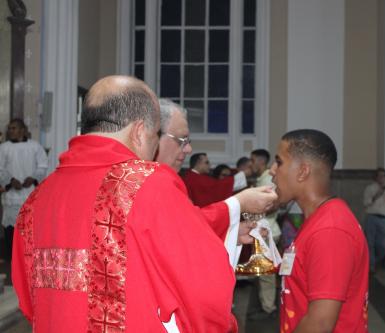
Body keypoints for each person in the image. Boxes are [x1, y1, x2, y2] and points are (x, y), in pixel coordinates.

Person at [11, 76, 263, 332]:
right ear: (140, 132)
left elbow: (26, 295)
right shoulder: (147, 182)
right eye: (156, 136)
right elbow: (202, 288)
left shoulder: (37, 198)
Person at [155, 98, 277, 267]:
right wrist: (239, 203)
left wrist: (232, 232)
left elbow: (184, 230)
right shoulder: (148, 181)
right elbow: (179, 234)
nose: (189, 149)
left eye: (188, 141)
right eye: (181, 140)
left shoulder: (167, 178)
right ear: (152, 135)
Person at [270, 129, 369, 332]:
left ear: (302, 171)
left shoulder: (330, 230)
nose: (272, 170)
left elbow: (321, 323)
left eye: (279, 162)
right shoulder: (318, 220)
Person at [0, 119, 48, 262]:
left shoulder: (35, 147)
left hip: (29, 193)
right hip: (12, 195)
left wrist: (33, 178)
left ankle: (28, 258)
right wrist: (10, 180)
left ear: (22, 130)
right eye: (10, 128)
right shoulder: (4, 148)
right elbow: (0, 168)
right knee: (10, 228)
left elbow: (43, 166)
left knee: (29, 227)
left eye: (14, 128)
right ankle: (11, 259)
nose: (11, 131)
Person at [248, 148, 282, 320]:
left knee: (266, 274)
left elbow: (275, 203)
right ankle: (266, 305)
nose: (250, 164)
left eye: (252, 160)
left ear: (261, 161)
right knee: (263, 273)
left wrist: (254, 210)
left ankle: (269, 308)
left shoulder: (268, 178)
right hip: (264, 231)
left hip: (268, 231)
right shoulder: (263, 178)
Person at [183, 153, 249, 207]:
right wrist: (244, 174)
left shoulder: (192, 176)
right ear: (198, 163)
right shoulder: (195, 179)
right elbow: (217, 187)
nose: (209, 165)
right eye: (206, 163)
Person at [363, 167, 385, 273]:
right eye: (379, 176)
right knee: (370, 243)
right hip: (372, 216)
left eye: (383, 176)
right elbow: (366, 203)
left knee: (383, 245)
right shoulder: (370, 188)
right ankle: (371, 265)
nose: (381, 178)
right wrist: (379, 193)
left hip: (384, 219)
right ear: (376, 177)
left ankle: (376, 261)